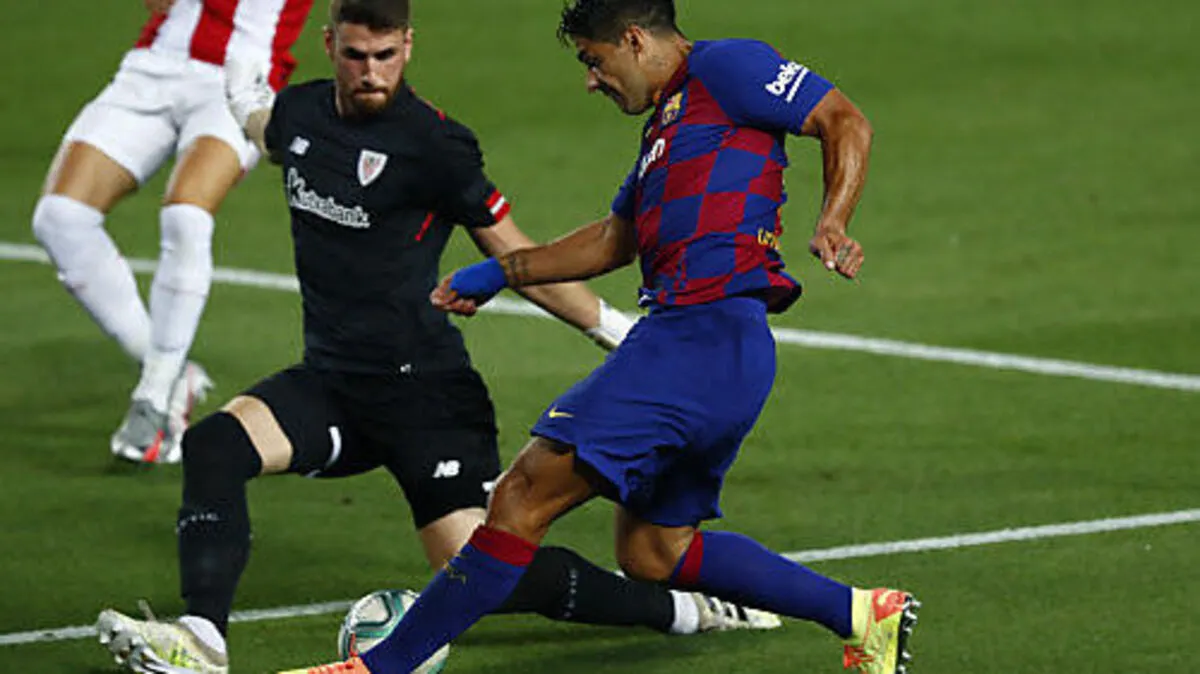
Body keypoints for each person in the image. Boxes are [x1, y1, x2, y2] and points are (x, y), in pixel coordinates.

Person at [93, 1, 781, 672]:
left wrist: (610, 327)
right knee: (215, 445)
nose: (371, 72)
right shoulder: (301, 114)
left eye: (385, 56)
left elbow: (514, 254)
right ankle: (200, 641)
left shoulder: (434, 145)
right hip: (333, 383)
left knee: (486, 569)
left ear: (407, 48)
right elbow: (277, 136)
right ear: (330, 46)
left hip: (426, 397)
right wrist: (245, 100)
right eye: (355, 55)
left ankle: (684, 610)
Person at [287, 1, 923, 673]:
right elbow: (614, 238)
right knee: (653, 551)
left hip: (696, 340)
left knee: (520, 497)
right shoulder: (666, 129)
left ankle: (378, 667)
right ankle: (861, 614)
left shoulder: (726, 67)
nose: (591, 80)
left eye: (595, 61)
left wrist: (833, 219)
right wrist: (503, 271)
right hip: (724, 356)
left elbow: (843, 119)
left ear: (634, 40)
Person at [31, 0, 317, 464]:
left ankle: (155, 397)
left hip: (239, 78)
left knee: (187, 214)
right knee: (60, 217)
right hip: (154, 64)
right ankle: (170, 370)